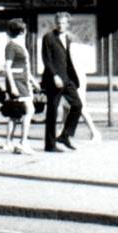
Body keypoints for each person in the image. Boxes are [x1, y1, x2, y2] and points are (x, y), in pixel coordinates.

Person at [40, 11, 84, 152]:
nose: (61, 25)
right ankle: (50, 145)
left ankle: (65, 135)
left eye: (64, 23)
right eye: (58, 23)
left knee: (77, 105)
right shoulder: (48, 38)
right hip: (55, 80)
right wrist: (54, 75)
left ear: (68, 24)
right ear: (55, 23)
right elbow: (47, 59)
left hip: (69, 78)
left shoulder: (70, 38)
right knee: (52, 111)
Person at [1, 18, 33, 153]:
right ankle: (23, 142)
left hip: (22, 80)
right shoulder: (12, 46)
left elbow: (23, 66)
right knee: (29, 110)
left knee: (15, 114)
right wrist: (13, 86)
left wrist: (32, 81)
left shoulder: (17, 45)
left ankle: (8, 142)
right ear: (22, 31)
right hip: (17, 81)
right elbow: (7, 67)